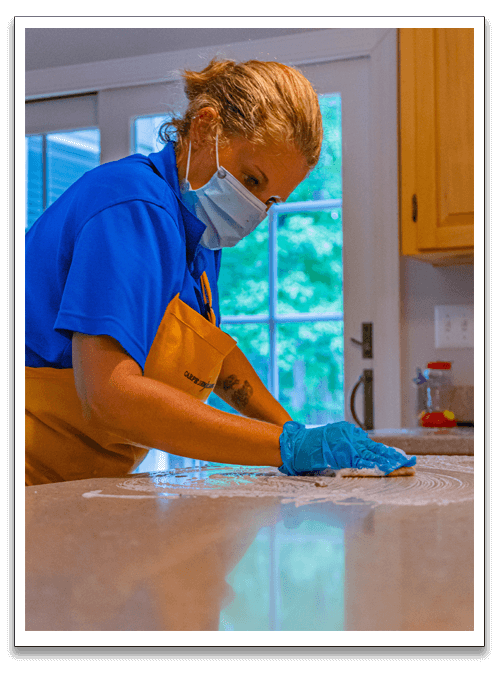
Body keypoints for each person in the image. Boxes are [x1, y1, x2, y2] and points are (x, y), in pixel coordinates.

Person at [25, 58, 416, 485]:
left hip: (78, 482)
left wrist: (298, 435)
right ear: (205, 127)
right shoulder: (131, 206)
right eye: (251, 179)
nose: (255, 210)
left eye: (270, 201)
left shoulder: (198, 231)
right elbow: (109, 395)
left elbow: (215, 357)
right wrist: (286, 448)